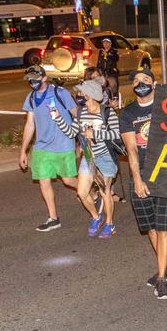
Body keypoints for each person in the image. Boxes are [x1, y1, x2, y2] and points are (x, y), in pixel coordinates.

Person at [119, 68, 167, 299]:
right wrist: (137, 179)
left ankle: (162, 279)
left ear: (154, 84)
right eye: (135, 80)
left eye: (145, 79)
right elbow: (131, 149)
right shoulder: (127, 113)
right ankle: (166, 267)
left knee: (164, 227)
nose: (140, 83)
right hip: (143, 173)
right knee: (151, 228)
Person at [51, 80, 119, 238]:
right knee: (82, 193)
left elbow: (116, 133)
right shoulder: (81, 113)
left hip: (105, 157)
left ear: (91, 95)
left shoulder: (108, 113)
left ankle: (109, 223)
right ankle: (96, 217)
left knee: (104, 191)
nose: (78, 96)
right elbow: (70, 132)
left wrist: (96, 134)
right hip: (88, 157)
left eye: (81, 93)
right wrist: (57, 117)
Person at [20, 65, 79, 232]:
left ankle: (91, 191)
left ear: (44, 78)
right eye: (30, 80)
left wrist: (79, 140)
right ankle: (53, 218)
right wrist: (23, 150)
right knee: (43, 181)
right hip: (42, 146)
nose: (32, 83)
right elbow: (30, 124)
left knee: (68, 180)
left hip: (63, 143)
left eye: (35, 79)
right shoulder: (30, 98)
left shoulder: (61, 93)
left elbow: (77, 115)